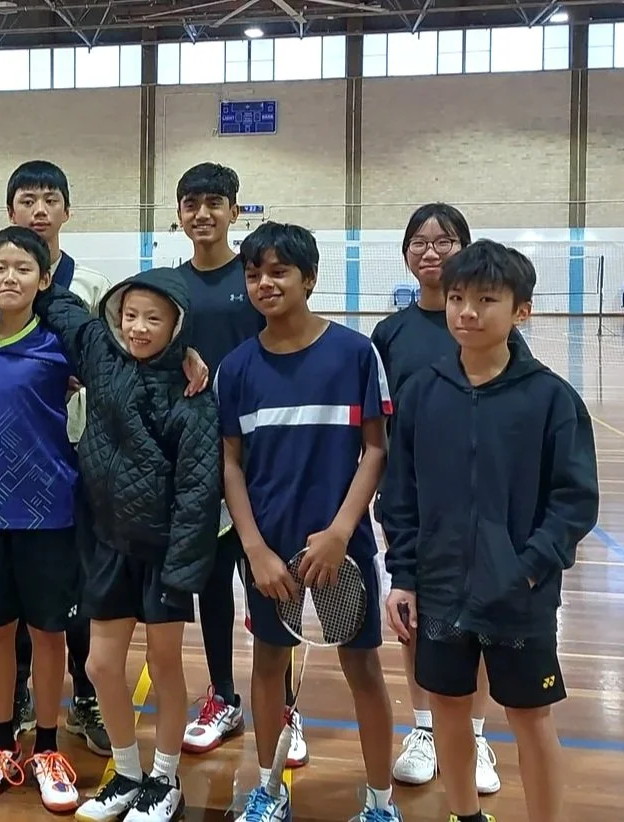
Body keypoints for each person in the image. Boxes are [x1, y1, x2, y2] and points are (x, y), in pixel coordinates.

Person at [381, 240, 599, 822]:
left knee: (530, 716)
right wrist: (404, 575)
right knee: (448, 709)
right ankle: (463, 815)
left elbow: (575, 502)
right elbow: (399, 495)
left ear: (520, 311)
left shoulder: (551, 398)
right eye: (456, 298)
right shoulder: (421, 393)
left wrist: (529, 567)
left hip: (519, 596)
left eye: (485, 299)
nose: (467, 312)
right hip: (440, 589)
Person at [220, 223, 400, 822]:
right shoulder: (238, 367)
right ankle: (269, 789)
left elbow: (376, 449)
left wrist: (342, 532)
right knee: (267, 666)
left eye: (278, 272)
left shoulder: (354, 353)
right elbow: (230, 463)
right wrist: (255, 549)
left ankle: (380, 802)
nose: (264, 283)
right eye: (254, 274)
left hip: (339, 548)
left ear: (310, 279)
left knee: (364, 670)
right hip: (268, 553)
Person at [33, 267, 220, 822]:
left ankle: (165, 780)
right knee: (101, 664)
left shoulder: (191, 397)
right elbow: (57, 304)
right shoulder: (99, 353)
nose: (138, 328)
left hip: (163, 555)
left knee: (164, 665)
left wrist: (184, 572)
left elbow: (199, 490)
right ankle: (128, 772)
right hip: (108, 544)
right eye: (130, 315)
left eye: (153, 319)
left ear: (177, 325)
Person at [370, 203, 516, 793]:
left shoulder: (486, 325)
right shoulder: (390, 333)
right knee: (416, 613)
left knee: (478, 614)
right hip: (414, 496)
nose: (431, 252)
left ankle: (476, 736)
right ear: (406, 253)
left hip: (482, 497)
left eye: (445, 240)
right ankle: (426, 727)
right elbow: (379, 423)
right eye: (419, 241)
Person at [0, 160, 113, 756]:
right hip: (0, 475)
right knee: (10, 610)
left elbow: (126, 349)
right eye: (26, 199)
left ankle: (83, 695)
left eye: (49, 199)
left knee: (71, 597)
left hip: (72, 461)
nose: (38, 208)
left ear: (66, 210)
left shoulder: (93, 286)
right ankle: (19, 703)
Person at [171, 163, 305, 767]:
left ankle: (284, 710)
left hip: (263, 457)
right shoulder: (168, 285)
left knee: (274, 583)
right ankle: (223, 695)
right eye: (192, 203)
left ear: (233, 209)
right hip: (199, 458)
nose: (203, 214)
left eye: (214, 203)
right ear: (179, 213)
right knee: (211, 586)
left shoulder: (252, 278)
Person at [0, 227, 81, 813]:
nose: (10, 278)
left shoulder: (61, 345)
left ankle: (49, 747)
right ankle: (3, 742)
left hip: (49, 509)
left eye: (23, 268)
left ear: (45, 279)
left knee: (49, 632)